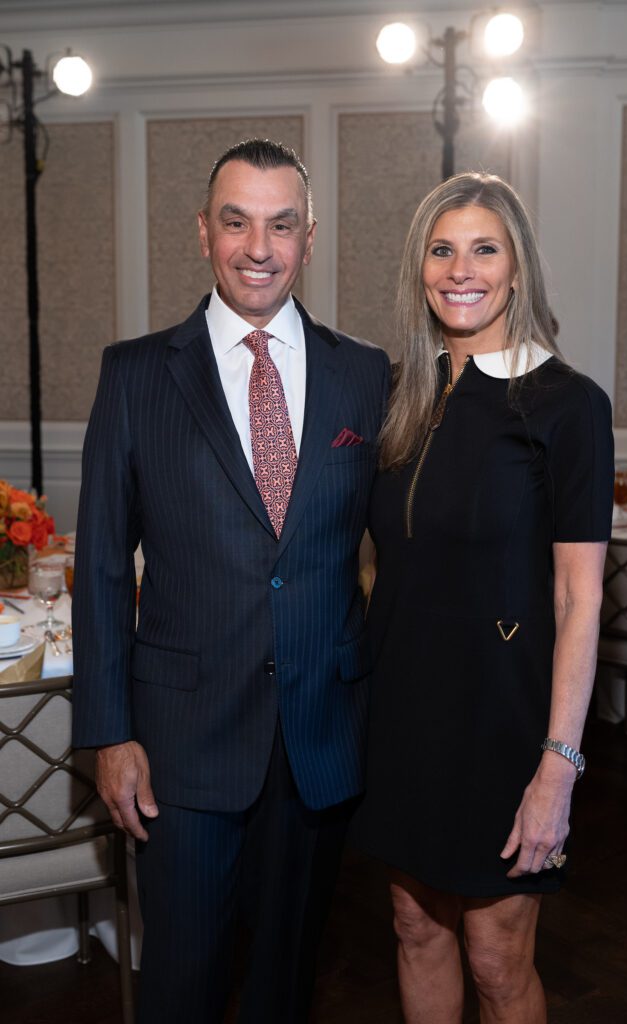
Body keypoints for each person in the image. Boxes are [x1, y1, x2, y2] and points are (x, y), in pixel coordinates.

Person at [72, 138, 390, 1023]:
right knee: (181, 985)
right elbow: (102, 566)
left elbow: (406, 542)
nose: (258, 247)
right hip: (179, 746)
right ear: (203, 232)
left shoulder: (363, 373)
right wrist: (109, 733)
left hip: (319, 740)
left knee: (287, 987)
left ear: (309, 238)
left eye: (281, 225)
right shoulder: (135, 374)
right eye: (236, 222)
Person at [353, 171, 614, 1023]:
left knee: (498, 959)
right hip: (401, 712)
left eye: (483, 249)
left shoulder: (567, 406)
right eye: (441, 250)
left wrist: (557, 767)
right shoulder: (397, 395)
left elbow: (578, 599)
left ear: (516, 267)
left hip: (503, 722)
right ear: (419, 267)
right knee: (413, 927)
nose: (460, 270)